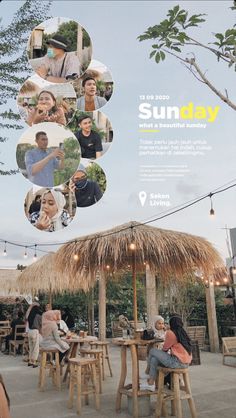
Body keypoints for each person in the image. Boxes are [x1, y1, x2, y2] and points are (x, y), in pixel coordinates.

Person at [143, 314, 192, 391]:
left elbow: (165, 349)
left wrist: (160, 354)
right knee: (154, 359)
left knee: (152, 351)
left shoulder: (170, 333)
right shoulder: (182, 332)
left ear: (171, 324)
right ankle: (151, 384)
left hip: (176, 362)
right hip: (186, 363)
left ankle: (146, 372)